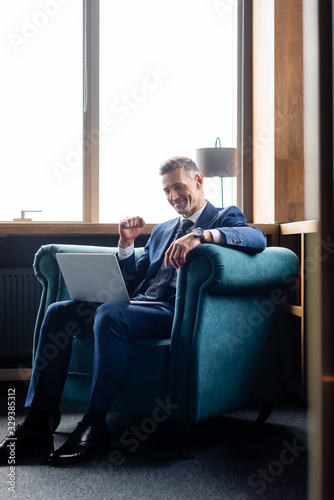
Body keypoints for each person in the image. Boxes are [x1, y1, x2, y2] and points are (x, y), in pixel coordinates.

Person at [0, 156, 266, 465]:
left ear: (199, 180)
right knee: (59, 312)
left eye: (179, 187)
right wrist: (125, 245)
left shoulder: (223, 215)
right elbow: (134, 277)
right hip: (138, 306)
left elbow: (255, 237)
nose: (173, 197)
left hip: (174, 314)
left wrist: (200, 236)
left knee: (110, 315)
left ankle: (94, 424)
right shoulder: (164, 229)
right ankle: (37, 424)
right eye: (167, 191)